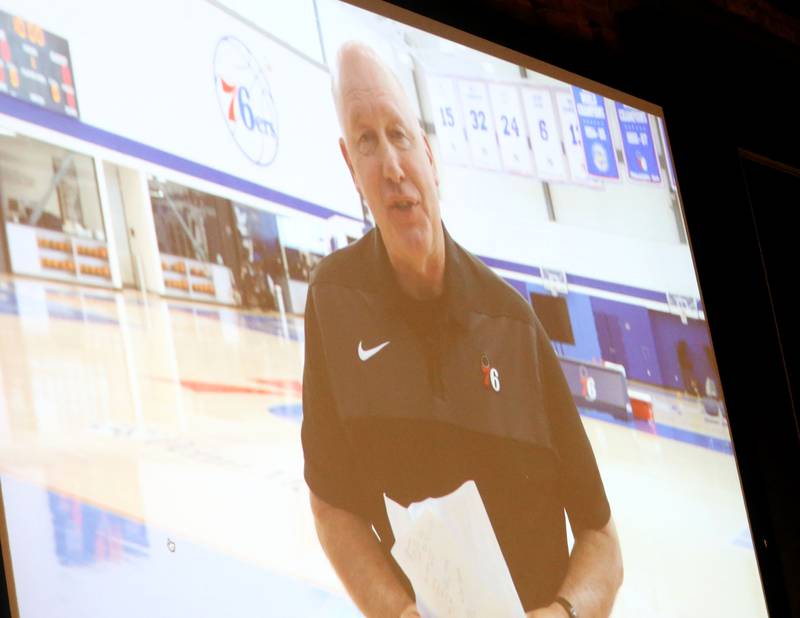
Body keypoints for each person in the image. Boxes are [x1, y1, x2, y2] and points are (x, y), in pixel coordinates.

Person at [301, 41, 623, 618]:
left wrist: (565, 613)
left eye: (400, 135)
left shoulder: (514, 325)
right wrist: (399, 612)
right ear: (350, 164)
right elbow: (332, 506)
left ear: (430, 154)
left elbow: (602, 542)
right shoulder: (332, 303)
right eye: (368, 142)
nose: (393, 167)